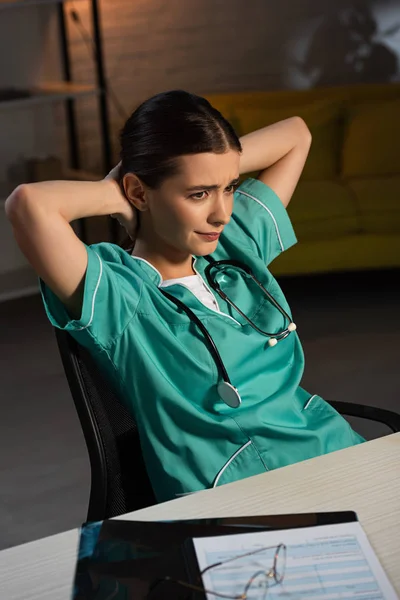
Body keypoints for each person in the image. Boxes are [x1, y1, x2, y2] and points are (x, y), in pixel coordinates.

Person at [6, 90, 364, 503]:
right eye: (198, 195)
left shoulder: (232, 245)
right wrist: (116, 194)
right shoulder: (120, 295)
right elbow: (27, 205)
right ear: (138, 193)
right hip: (242, 493)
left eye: (229, 188)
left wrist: (211, 168)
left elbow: (296, 135)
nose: (221, 213)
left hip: (332, 452)